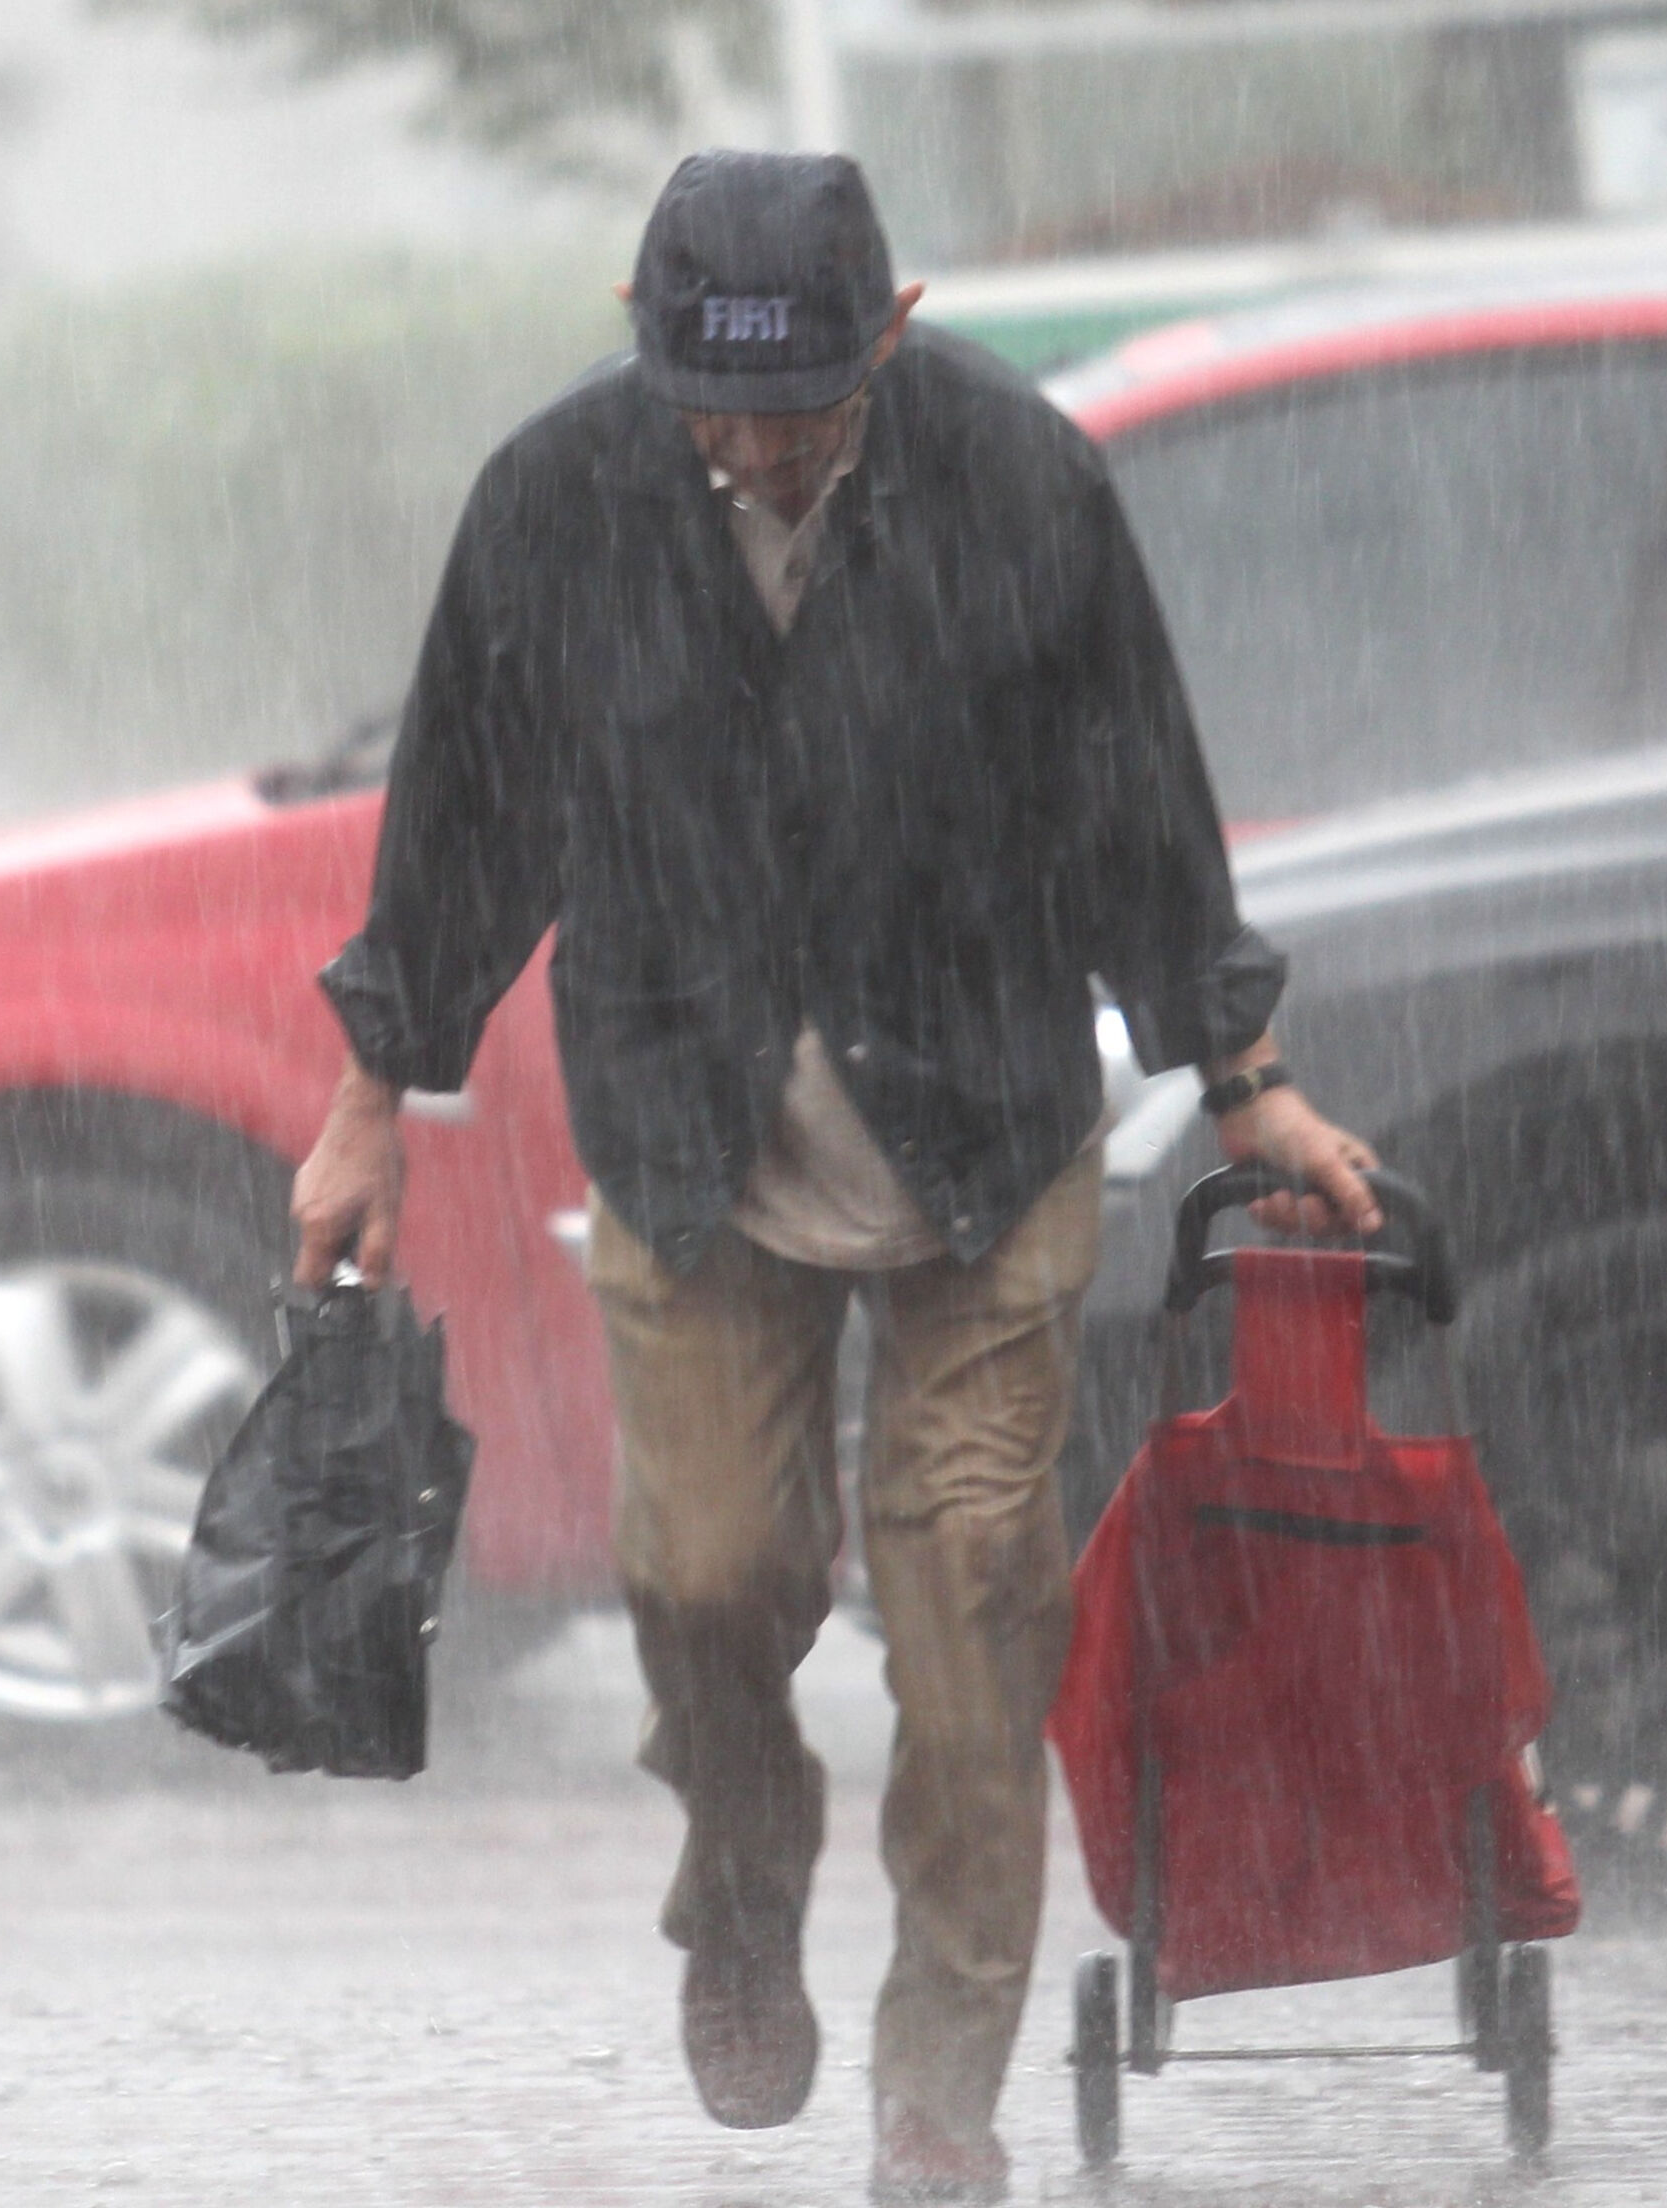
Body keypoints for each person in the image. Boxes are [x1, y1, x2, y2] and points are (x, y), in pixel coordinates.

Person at [291, 150, 1380, 2205]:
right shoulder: (555, 501)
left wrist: (1245, 1077)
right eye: (712, 408)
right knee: (708, 1578)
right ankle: (741, 1892)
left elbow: (1139, 803)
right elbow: (462, 821)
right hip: (690, 1133)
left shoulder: (1020, 484)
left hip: (979, 1123)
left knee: (971, 1602)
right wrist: (372, 1100)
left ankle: (938, 2093)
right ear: (641, 339)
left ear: (891, 332)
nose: (755, 451)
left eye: (799, 412)